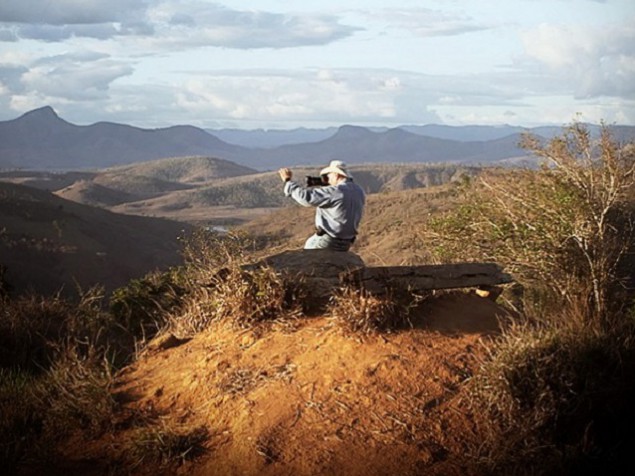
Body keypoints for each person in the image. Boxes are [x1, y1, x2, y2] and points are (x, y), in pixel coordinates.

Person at [278, 160, 365, 252]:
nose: (327, 178)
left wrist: (288, 181)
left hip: (328, 240)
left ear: (336, 174)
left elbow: (305, 198)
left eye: (329, 175)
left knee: (307, 255)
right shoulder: (358, 190)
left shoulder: (336, 191)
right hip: (346, 242)